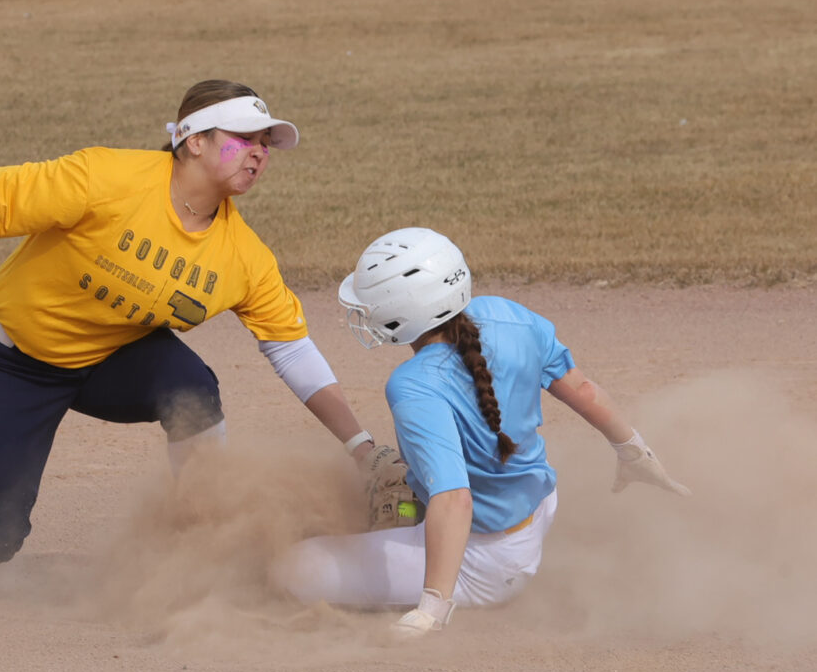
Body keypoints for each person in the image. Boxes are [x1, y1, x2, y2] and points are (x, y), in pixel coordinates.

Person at [0, 80, 393, 595]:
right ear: (194, 140)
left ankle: (201, 532)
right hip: (18, 360)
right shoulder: (111, 178)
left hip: (111, 358)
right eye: (242, 138)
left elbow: (291, 347)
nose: (257, 153)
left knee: (191, 388)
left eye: (265, 144)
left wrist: (358, 445)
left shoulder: (243, 256)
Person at [269, 227, 691, 636]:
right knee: (409, 493)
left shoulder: (413, 384)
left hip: (487, 561)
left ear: (400, 312)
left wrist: (431, 609)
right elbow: (581, 388)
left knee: (294, 568)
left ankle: (444, 585)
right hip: (540, 509)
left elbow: (454, 499)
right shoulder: (509, 315)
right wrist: (634, 452)